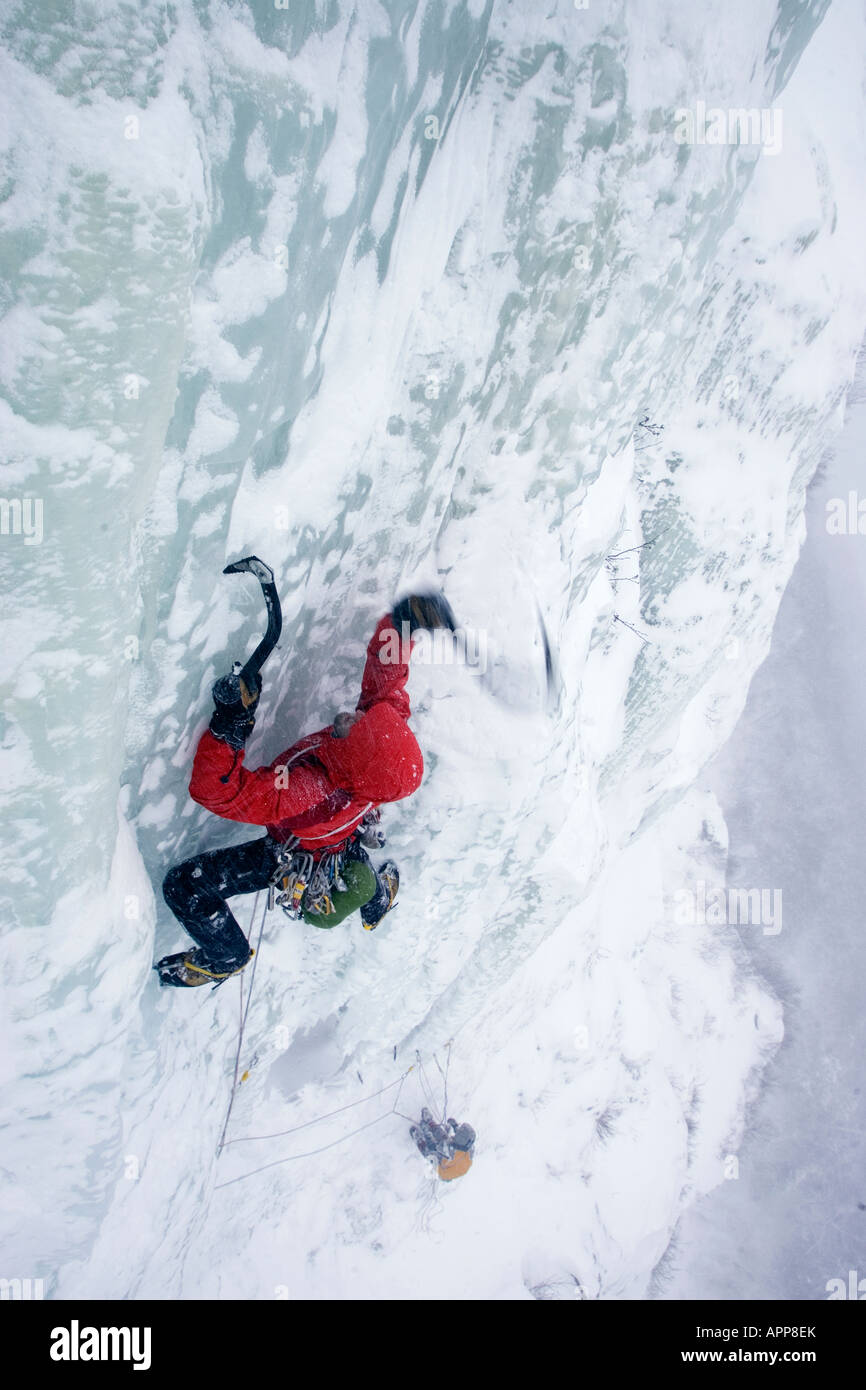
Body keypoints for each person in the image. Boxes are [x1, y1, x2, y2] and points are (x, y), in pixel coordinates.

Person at [155, 592, 455, 988]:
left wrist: (231, 726)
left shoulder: (309, 789)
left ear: (352, 760)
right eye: (365, 716)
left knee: (185, 886)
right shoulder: (377, 738)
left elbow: (218, 793)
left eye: (355, 726)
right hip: (343, 833)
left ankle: (225, 955)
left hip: (299, 849)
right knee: (349, 847)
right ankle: (376, 901)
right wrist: (404, 625)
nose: (354, 714)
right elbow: (385, 682)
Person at [410, 1107, 476, 1181]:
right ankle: (430, 1123)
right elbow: (462, 1136)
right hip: (460, 1166)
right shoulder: (468, 1145)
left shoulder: (450, 1154)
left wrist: (427, 1136)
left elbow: (438, 1148)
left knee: (432, 1151)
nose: (457, 1133)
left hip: (443, 1172)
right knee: (445, 1138)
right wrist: (455, 1126)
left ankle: (420, 1141)